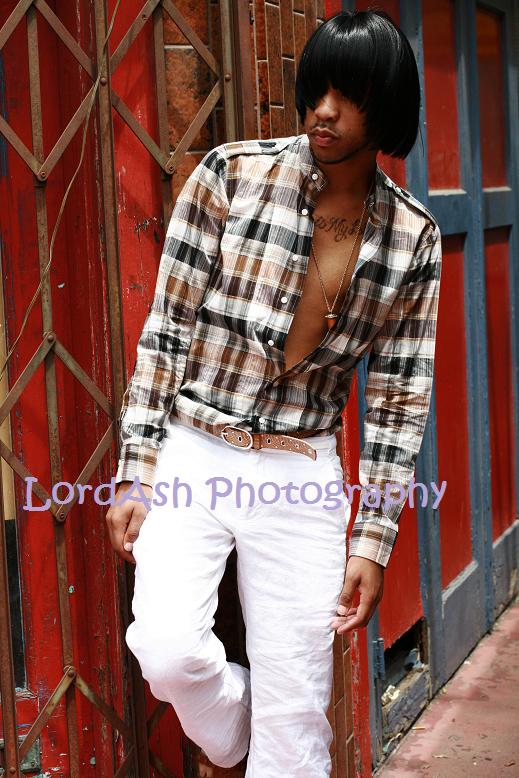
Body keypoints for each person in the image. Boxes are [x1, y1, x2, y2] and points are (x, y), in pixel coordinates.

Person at [105, 9, 442, 777]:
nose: (323, 110)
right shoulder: (231, 176)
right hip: (195, 449)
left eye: (347, 95)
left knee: (297, 726)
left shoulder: (411, 239)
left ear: (384, 108)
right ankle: (238, 724)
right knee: (167, 650)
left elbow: (396, 398)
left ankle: (283, 731)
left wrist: (372, 539)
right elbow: (166, 332)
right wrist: (139, 468)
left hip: (301, 472)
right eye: (315, 88)